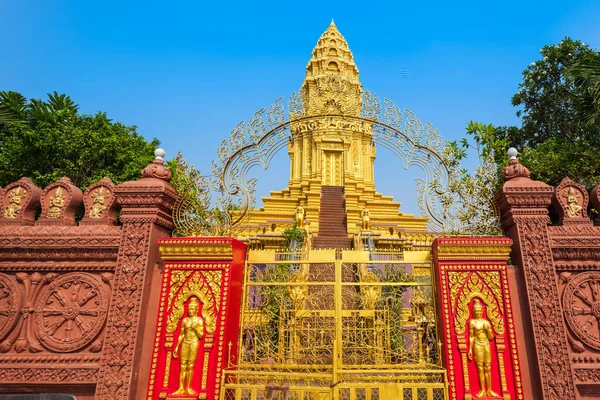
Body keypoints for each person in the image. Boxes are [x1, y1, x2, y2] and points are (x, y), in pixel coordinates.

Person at [173, 297, 205, 395]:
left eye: (192, 309)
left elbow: (201, 335)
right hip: (185, 342)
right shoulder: (185, 320)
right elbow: (182, 334)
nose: (191, 311)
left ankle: (188, 388)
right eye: (189, 309)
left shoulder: (199, 320)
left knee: (190, 365)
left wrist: (196, 328)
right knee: (183, 365)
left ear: (196, 310)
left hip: (194, 342)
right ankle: (181, 387)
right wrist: (177, 347)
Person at [468, 298, 498, 398]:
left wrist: (488, 330)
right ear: (473, 312)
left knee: (488, 368)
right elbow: (471, 336)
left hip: (486, 345)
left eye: (480, 311)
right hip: (477, 345)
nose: (479, 312)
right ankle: (482, 390)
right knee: (480, 368)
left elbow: (491, 337)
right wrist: (470, 349)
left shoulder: (486, 323)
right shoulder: (472, 322)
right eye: (476, 311)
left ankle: (489, 390)